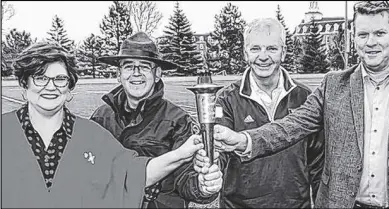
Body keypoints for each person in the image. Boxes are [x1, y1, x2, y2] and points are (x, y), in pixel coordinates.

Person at [213, 1, 389, 208]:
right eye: (362, 34)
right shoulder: (333, 85)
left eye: (379, 33)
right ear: (354, 39)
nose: (370, 42)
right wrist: (244, 139)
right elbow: (290, 126)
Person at [1, 41, 210, 208]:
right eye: (40, 78)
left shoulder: (89, 133)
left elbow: (132, 174)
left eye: (60, 79)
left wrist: (186, 158)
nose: (50, 87)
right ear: (24, 83)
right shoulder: (101, 117)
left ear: (69, 86)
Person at [193, 18, 324, 208]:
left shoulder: (305, 98)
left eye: (271, 48)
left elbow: (318, 162)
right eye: (255, 49)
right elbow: (219, 152)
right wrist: (210, 167)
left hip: (295, 205)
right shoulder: (226, 99)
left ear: (284, 52)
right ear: (246, 53)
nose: (263, 57)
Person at [90, 32, 222, 208]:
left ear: (158, 73)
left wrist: (202, 186)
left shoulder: (177, 121)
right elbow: (90, 171)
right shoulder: (101, 118)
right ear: (118, 73)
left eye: (144, 67)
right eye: (129, 67)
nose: (136, 73)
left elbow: (185, 178)